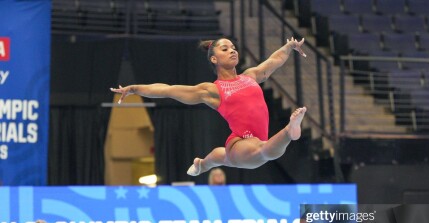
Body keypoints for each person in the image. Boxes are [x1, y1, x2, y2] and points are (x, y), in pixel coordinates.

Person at [111, 37, 307, 177]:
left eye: (232, 47)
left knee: (219, 156)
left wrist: (289, 46)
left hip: (247, 145)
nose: (232, 50)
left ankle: (201, 164)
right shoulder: (213, 90)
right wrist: (135, 88)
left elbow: (273, 61)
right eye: (225, 49)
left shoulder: (251, 76)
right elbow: (168, 90)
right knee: (264, 152)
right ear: (214, 59)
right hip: (241, 144)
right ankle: (289, 131)